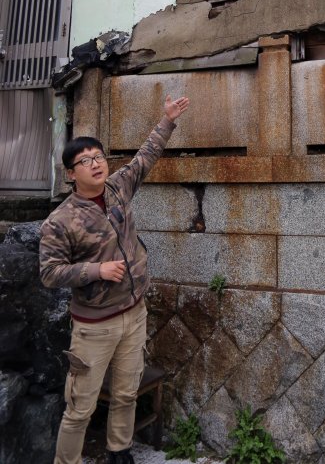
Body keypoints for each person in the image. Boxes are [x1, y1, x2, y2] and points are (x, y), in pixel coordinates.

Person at [39, 94, 190, 464]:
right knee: (79, 407)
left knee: (125, 393)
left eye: (99, 157)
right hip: (94, 327)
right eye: (85, 161)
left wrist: (167, 119)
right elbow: (49, 273)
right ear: (71, 173)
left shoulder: (118, 187)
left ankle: (119, 451)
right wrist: (96, 270)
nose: (96, 164)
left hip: (133, 313)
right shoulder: (60, 221)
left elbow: (146, 156)